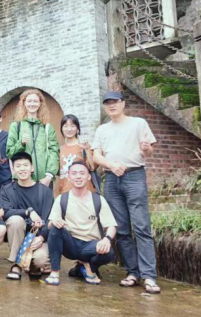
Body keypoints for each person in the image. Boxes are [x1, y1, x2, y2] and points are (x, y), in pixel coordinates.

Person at [92, 90, 161, 294]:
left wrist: (146, 148)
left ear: (123, 103)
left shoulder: (138, 123)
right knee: (121, 230)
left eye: (115, 102)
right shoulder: (102, 129)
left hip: (134, 176)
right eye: (108, 103)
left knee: (141, 227)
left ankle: (149, 276)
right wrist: (111, 165)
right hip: (112, 179)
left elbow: (148, 152)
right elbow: (96, 157)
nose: (111, 105)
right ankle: (132, 273)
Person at [44, 160, 117, 286]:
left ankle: (89, 267)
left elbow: (111, 225)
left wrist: (107, 239)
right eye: (74, 173)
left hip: (90, 244)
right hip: (70, 243)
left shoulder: (98, 200)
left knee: (108, 252)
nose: (78, 176)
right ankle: (54, 272)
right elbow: (50, 224)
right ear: (69, 177)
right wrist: (55, 221)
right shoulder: (62, 199)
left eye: (82, 173)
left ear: (88, 177)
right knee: (55, 229)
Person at [0, 151, 54, 280]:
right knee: (15, 220)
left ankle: (34, 264)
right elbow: (6, 212)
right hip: (19, 236)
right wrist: (28, 212)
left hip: (39, 235)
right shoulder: (7, 190)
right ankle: (17, 264)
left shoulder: (45, 191)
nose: (22, 169)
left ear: (32, 168)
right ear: (13, 170)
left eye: (25, 165)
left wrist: (42, 237)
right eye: (18, 166)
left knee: (40, 260)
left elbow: (50, 218)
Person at [6, 89, 59, 186]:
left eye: (35, 101)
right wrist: (21, 143)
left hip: (44, 180)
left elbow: (54, 152)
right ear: (24, 103)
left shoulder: (47, 127)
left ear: (40, 104)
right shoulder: (16, 126)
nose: (32, 104)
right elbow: (9, 152)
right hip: (22, 180)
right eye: (29, 101)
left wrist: (49, 176)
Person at [58, 114, 95, 193]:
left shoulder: (83, 146)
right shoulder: (60, 149)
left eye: (72, 126)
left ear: (77, 129)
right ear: (61, 129)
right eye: (65, 126)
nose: (69, 129)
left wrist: (87, 150)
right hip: (65, 190)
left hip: (83, 191)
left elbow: (92, 167)